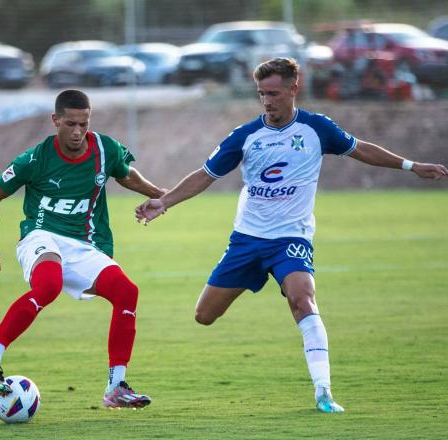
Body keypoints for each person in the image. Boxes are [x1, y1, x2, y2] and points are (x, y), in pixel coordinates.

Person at [135, 58, 447, 413]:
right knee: (204, 315)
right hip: (247, 240)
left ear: (293, 89)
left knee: (302, 298)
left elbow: (360, 149)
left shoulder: (317, 129)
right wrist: (165, 202)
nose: (267, 101)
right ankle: (257, 282)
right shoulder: (245, 136)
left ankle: (323, 391)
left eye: (274, 93)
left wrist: (410, 166)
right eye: (261, 94)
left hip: (291, 238)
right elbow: (205, 175)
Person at [0, 89, 165, 409]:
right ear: (55, 120)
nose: (77, 132)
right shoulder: (37, 158)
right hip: (40, 235)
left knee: (127, 292)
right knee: (49, 286)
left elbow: (125, 174)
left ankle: (116, 387)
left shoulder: (104, 149)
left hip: (83, 244)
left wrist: (161, 195)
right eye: (70, 124)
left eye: (83, 125)